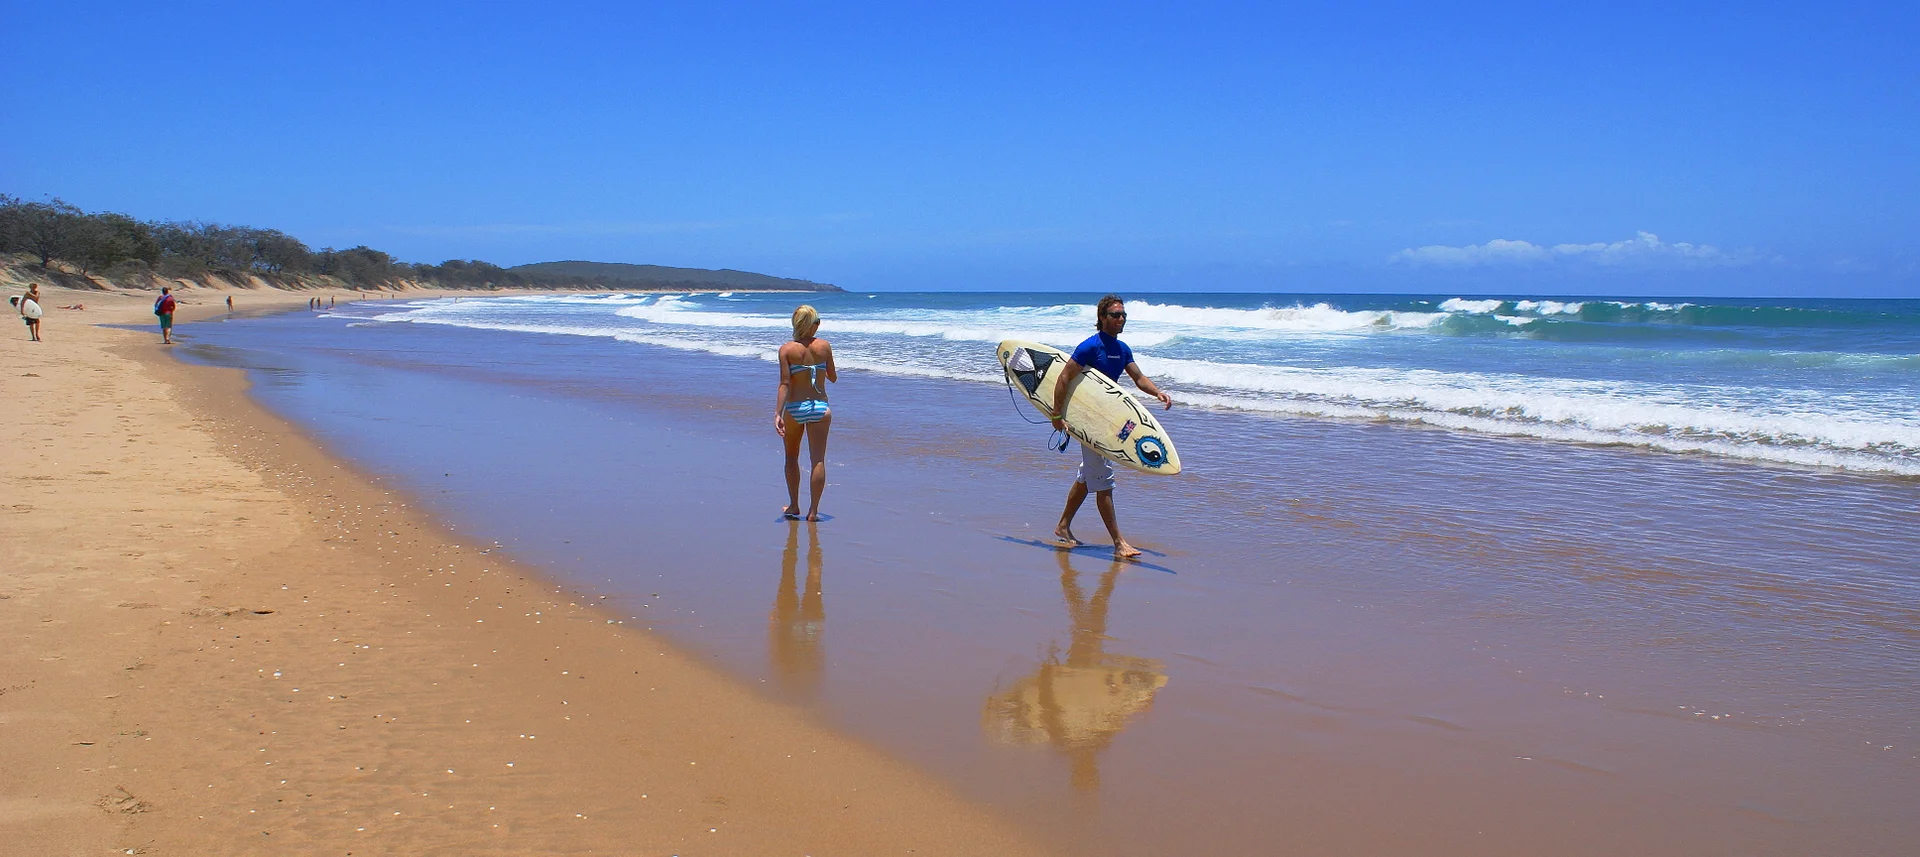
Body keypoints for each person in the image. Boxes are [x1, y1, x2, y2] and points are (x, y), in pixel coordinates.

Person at [1049, 295, 1172, 558]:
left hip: (1107, 421)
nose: (1121, 319)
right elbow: (1063, 378)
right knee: (1104, 480)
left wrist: (1157, 393)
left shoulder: (1122, 349)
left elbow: (1138, 378)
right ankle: (1119, 543)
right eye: (1115, 315)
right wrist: (1057, 414)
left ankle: (1062, 526)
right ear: (1102, 318)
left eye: (1123, 315)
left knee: (1086, 477)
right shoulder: (1090, 347)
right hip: (1089, 422)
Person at [775, 305, 836, 521]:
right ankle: (813, 511)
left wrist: (777, 413)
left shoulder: (786, 350)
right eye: (817, 321)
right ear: (812, 324)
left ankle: (793, 505)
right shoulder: (824, 346)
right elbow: (833, 377)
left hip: (794, 409)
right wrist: (816, 369)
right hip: (820, 408)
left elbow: (784, 383)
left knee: (792, 457)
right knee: (817, 460)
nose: (819, 324)